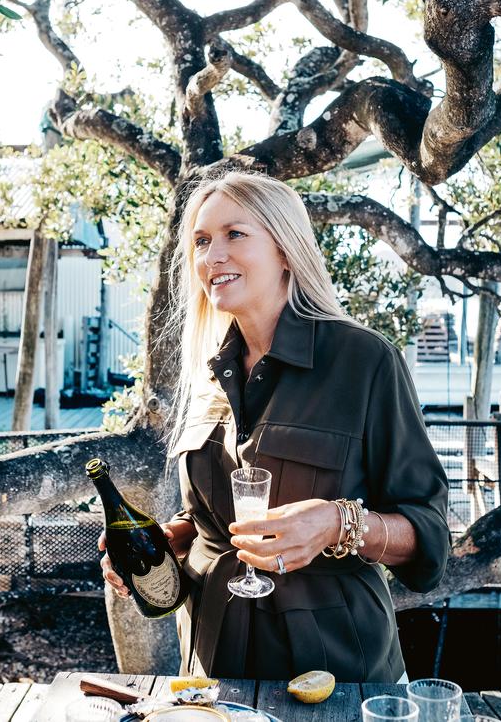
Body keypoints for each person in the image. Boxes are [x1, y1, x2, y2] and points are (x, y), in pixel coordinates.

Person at [100, 170, 449, 682]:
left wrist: (339, 522)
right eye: (201, 241)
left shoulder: (364, 361)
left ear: (285, 249)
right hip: (210, 663)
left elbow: (430, 538)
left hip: (335, 672)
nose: (212, 256)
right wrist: (172, 535)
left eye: (234, 234)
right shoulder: (208, 370)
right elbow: (211, 513)